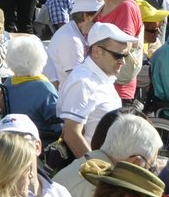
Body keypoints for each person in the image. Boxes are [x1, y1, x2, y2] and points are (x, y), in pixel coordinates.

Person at [56, 22, 140, 158]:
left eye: (126, 56)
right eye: (119, 55)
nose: (123, 62)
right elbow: (71, 134)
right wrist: (96, 169)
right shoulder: (83, 83)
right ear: (96, 52)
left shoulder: (101, 77)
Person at [2, 34, 62, 144]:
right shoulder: (44, 88)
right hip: (40, 144)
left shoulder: (8, 83)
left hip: (13, 140)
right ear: (40, 58)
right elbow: (59, 125)